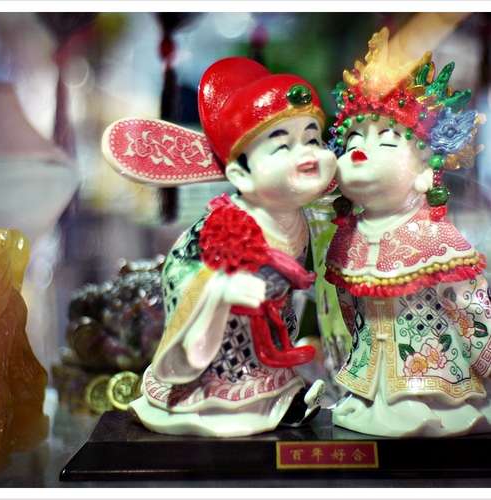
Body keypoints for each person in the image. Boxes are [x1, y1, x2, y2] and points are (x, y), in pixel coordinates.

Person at [102, 57, 337, 437]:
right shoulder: (225, 226)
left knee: (276, 388)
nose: (308, 153)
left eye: (312, 139)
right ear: (240, 173)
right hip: (218, 353)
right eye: (283, 146)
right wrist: (219, 290)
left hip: (269, 349)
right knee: (224, 393)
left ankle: (282, 400)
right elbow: (181, 272)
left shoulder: (298, 218)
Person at [325, 28, 491, 437]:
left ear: (424, 172)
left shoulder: (436, 240)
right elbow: (349, 310)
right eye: (352, 140)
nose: (359, 151)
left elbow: (470, 306)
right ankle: (372, 398)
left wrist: (484, 363)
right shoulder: (347, 237)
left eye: (386, 140)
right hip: (367, 376)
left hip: (430, 373)